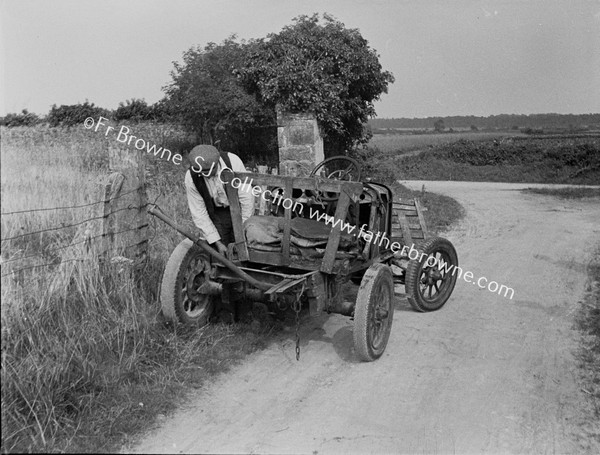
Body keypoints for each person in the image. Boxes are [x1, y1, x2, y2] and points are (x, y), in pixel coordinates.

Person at [184, 144, 254, 256]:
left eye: (208, 172)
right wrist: (218, 243)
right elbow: (199, 213)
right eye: (201, 173)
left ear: (216, 165)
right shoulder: (191, 178)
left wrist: (243, 231)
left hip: (238, 209)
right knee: (222, 254)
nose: (205, 175)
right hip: (217, 214)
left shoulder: (232, 162)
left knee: (245, 249)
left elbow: (246, 199)